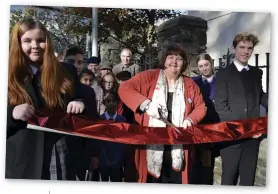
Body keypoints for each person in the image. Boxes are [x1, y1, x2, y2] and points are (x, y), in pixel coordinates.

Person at [6, 18, 85, 180]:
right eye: (27, 41)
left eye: (40, 40)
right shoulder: (7, 74)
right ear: (18, 44)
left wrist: (79, 102)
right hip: (22, 158)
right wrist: (12, 113)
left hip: (60, 151)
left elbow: (81, 100)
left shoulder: (66, 71)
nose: (35, 45)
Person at [118, 44, 207, 184]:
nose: (174, 61)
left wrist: (190, 119)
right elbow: (124, 88)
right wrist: (146, 104)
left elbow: (201, 107)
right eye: (170, 57)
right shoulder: (148, 77)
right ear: (164, 60)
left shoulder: (190, 84)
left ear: (184, 63)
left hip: (178, 148)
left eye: (179, 58)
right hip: (150, 146)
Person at [214, 32, 268, 186]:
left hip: (252, 139)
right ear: (233, 48)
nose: (246, 51)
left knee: (248, 181)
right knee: (228, 180)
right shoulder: (223, 74)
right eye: (242, 47)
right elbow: (221, 107)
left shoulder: (257, 72)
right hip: (231, 137)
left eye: (249, 48)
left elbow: (260, 95)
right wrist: (244, 129)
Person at [192, 53, 220, 185]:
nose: (204, 68)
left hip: (215, 126)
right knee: (196, 163)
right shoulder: (194, 82)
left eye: (206, 65)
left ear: (211, 64)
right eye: (200, 66)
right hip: (198, 127)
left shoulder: (221, 81)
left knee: (208, 163)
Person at [98, 91, 127, 182]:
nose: (111, 103)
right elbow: (97, 142)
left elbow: (124, 142)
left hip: (117, 161)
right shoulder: (99, 120)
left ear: (117, 103)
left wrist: (119, 159)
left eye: (113, 101)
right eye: (108, 101)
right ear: (104, 103)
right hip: (103, 160)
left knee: (116, 185)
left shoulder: (122, 120)